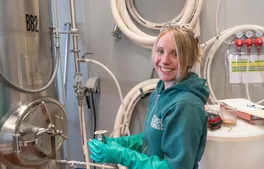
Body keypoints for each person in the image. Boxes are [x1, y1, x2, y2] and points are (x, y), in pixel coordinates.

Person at [88, 22, 210, 169]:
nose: (164, 60)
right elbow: (150, 140)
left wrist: (122, 155)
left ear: (189, 59)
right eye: (160, 51)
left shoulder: (186, 106)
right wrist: (118, 144)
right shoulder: (161, 90)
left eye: (175, 54)